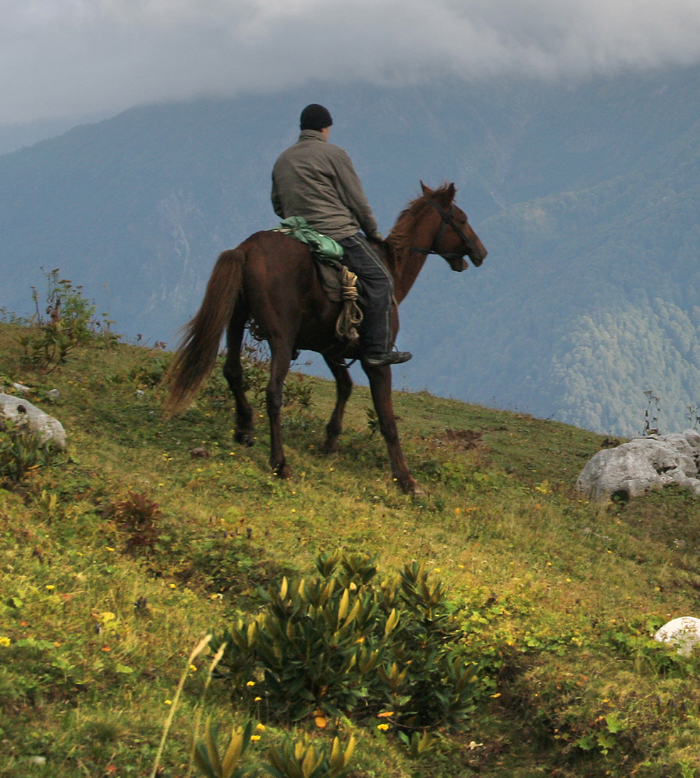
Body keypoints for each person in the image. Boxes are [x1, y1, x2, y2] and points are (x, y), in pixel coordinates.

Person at [271, 103, 412, 367]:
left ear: (303, 128)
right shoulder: (334, 154)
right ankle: (376, 350)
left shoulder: (283, 159)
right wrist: (372, 231)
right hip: (336, 233)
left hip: (296, 234)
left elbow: (278, 204)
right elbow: (356, 200)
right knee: (380, 280)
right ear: (325, 128)